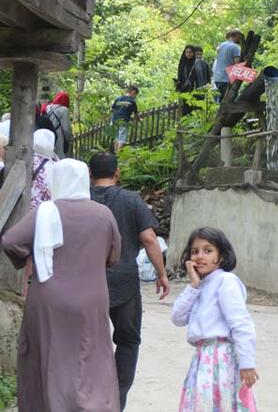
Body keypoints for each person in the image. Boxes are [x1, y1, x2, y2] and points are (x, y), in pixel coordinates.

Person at [1, 159, 122, 411]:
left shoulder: (45, 212)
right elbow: (114, 255)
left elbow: (10, 241)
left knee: (49, 358)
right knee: (92, 357)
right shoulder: (103, 214)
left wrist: (32, 257)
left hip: (48, 300)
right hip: (91, 299)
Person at [89, 152, 170, 410]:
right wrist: (162, 273)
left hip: (87, 286)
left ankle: (89, 397)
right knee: (128, 341)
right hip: (125, 284)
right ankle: (117, 398)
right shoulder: (131, 200)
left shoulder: (82, 201)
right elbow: (148, 238)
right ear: (117, 173)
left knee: (88, 342)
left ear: (90, 175)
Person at [171, 227, 258, 412]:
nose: (200, 256)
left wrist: (247, 363)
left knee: (221, 404)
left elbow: (241, 324)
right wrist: (193, 286)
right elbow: (177, 318)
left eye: (208, 250)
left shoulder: (226, 281)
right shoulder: (199, 286)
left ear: (222, 257)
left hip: (222, 358)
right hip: (203, 358)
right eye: (195, 251)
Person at [212, 30, 243, 100]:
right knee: (228, 102)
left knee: (220, 102)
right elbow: (237, 65)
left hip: (217, 78)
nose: (241, 40)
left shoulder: (221, 45)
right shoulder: (235, 47)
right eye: (240, 37)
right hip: (227, 78)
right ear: (237, 36)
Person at [44, 90, 73, 158]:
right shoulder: (64, 110)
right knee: (58, 156)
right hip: (58, 136)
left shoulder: (48, 107)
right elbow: (66, 128)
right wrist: (69, 139)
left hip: (47, 135)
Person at [111, 86, 140, 153]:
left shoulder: (118, 98)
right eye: (136, 95)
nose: (135, 97)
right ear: (133, 92)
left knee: (116, 136)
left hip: (114, 120)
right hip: (124, 120)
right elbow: (136, 114)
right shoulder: (132, 101)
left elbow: (113, 109)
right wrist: (139, 120)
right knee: (122, 137)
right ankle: (118, 154)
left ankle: (115, 152)